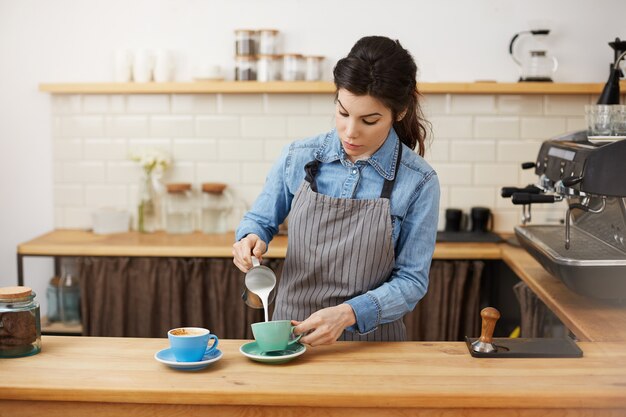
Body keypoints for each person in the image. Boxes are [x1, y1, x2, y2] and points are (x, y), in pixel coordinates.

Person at [232, 35, 440, 345]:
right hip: (289, 337)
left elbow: (411, 280)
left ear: (400, 112)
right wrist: (249, 239)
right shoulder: (298, 156)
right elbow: (260, 221)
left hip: (372, 346)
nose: (350, 131)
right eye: (343, 113)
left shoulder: (419, 181)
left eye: (369, 120)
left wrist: (347, 314)